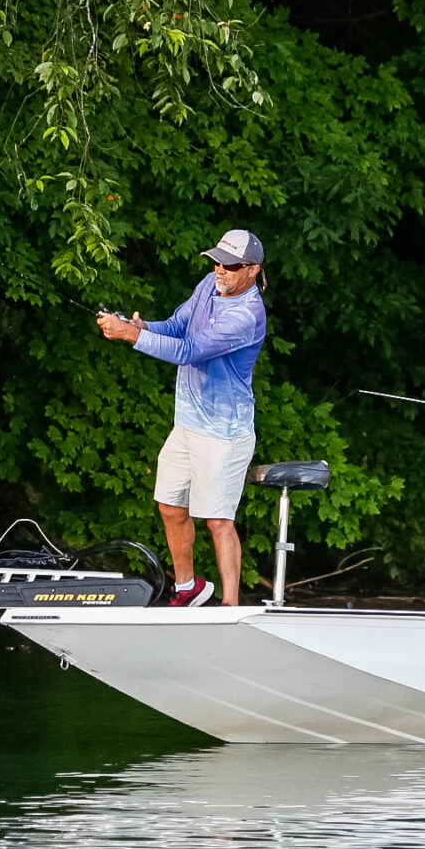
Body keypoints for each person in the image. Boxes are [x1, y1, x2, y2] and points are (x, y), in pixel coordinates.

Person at [96, 229, 269, 605]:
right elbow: (178, 326)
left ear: (252, 270)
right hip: (187, 425)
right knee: (171, 506)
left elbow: (190, 351)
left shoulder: (247, 315)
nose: (220, 269)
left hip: (224, 434)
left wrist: (129, 336)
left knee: (218, 521)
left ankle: (230, 606)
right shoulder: (210, 283)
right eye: (217, 260)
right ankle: (188, 587)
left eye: (230, 264)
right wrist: (143, 327)